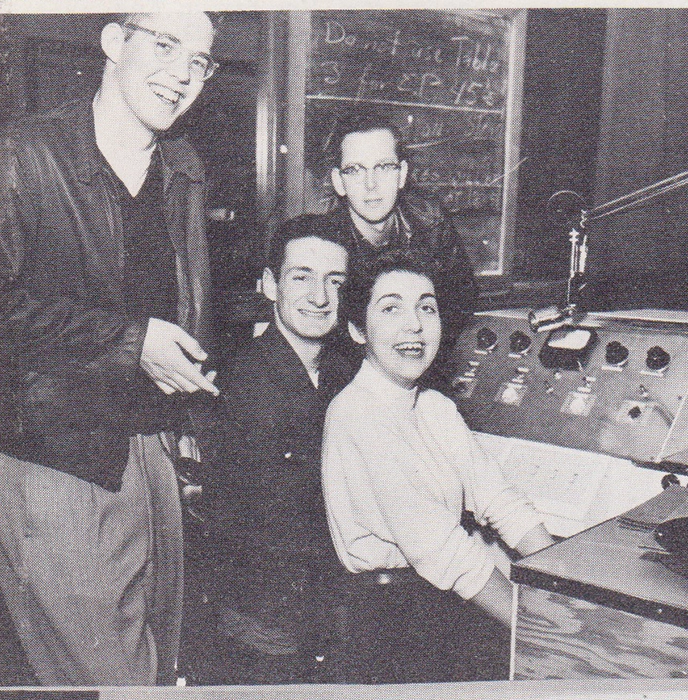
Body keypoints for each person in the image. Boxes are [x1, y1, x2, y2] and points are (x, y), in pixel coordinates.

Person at [0, 13, 219, 686]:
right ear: (114, 43)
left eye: (199, 61)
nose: (181, 73)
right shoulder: (20, 155)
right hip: (49, 455)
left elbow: (186, 303)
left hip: (150, 450)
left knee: (157, 666)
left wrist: (187, 419)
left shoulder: (182, 166)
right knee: (106, 679)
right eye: (165, 43)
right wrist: (128, 344)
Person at [321, 248, 554, 683]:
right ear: (357, 329)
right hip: (389, 630)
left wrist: (566, 583)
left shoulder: (434, 407)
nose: (414, 324)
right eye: (390, 308)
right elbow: (446, 553)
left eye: (426, 307)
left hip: (436, 607)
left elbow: (500, 502)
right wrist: (545, 636)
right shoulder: (356, 415)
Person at [184, 214, 353, 684]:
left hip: (325, 613)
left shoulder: (346, 372)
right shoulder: (241, 383)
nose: (320, 297)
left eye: (334, 281)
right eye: (302, 277)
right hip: (265, 632)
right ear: (270, 285)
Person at [324, 111, 479, 364]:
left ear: (402, 174)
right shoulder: (323, 243)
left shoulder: (430, 220)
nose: (370, 184)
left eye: (384, 167)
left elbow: (460, 301)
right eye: (354, 170)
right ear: (339, 182)